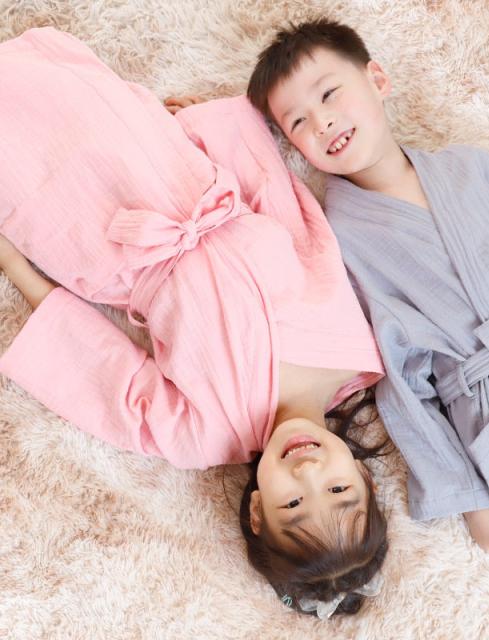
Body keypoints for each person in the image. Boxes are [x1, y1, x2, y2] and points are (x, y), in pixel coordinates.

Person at [242, 18, 489, 630]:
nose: (322, 122)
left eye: (330, 93)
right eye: (298, 122)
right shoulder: (338, 238)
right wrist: (470, 498)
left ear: (377, 79)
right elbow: (398, 382)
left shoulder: (473, 169)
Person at [0, 26, 390, 619]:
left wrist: (12, 264)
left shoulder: (203, 436)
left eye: (292, 506)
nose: (309, 472)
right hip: (181, 173)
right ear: (363, 477)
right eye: (338, 490)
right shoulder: (354, 352)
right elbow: (286, 210)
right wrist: (219, 133)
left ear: (257, 510)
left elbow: (105, 376)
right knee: (51, 83)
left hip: (107, 239)